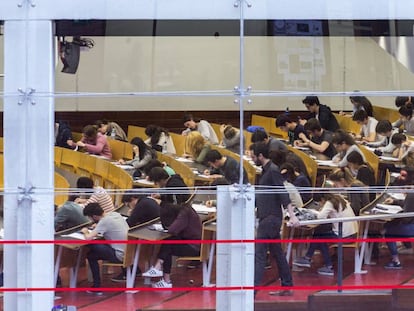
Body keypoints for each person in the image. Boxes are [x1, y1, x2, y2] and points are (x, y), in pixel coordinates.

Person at [250, 142, 298, 296]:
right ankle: (287, 284)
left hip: (270, 219)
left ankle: (253, 290)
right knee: (277, 253)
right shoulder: (266, 171)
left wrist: (292, 214)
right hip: (267, 217)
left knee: (259, 254)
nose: (251, 159)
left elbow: (282, 193)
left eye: (253, 156)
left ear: (260, 156)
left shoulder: (272, 171)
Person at [293, 192, 357, 276]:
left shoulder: (329, 203)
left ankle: (325, 265)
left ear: (322, 199)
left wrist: (317, 211)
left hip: (343, 235)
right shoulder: (340, 199)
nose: (320, 204)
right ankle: (308, 258)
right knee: (319, 234)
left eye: (319, 203)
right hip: (352, 234)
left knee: (319, 236)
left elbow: (320, 217)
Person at [142, 201, 202, 288]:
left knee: (168, 243)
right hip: (195, 244)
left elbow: (172, 230)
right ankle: (159, 269)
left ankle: (162, 274)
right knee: (169, 242)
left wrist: (167, 227)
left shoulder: (184, 213)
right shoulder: (187, 209)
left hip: (194, 247)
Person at [81, 202, 129, 293]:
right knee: (93, 252)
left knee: (91, 253)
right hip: (128, 253)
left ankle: (96, 286)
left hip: (119, 255)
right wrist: (98, 226)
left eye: (89, 217)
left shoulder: (104, 222)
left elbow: (88, 238)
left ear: (94, 216)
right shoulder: (115, 214)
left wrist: (85, 231)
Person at [381, 170, 414, 269]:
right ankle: (407, 246)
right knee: (389, 225)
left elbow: (407, 218)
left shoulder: (411, 194)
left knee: (388, 232)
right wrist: (394, 201)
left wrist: (396, 216)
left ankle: (396, 262)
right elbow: (407, 204)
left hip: (412, 226)